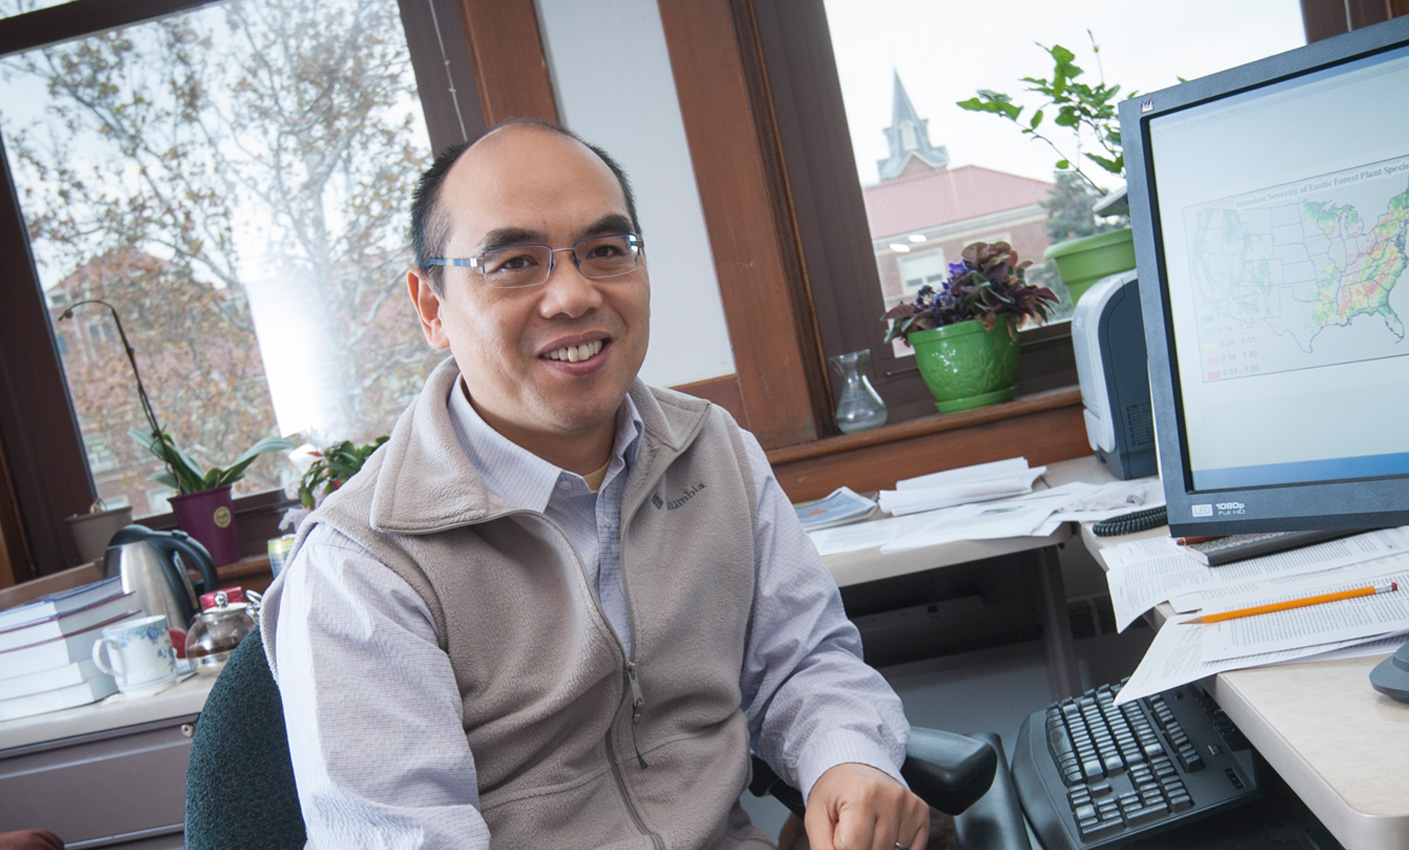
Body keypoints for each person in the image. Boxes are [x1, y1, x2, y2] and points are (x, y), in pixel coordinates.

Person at [260, 119, 929, 850]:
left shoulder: (713, 451)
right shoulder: (362, 563)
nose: (574, 296)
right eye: (515, 262)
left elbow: (804, 660)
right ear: (432, 308)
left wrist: (847, 760)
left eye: (606, 251)